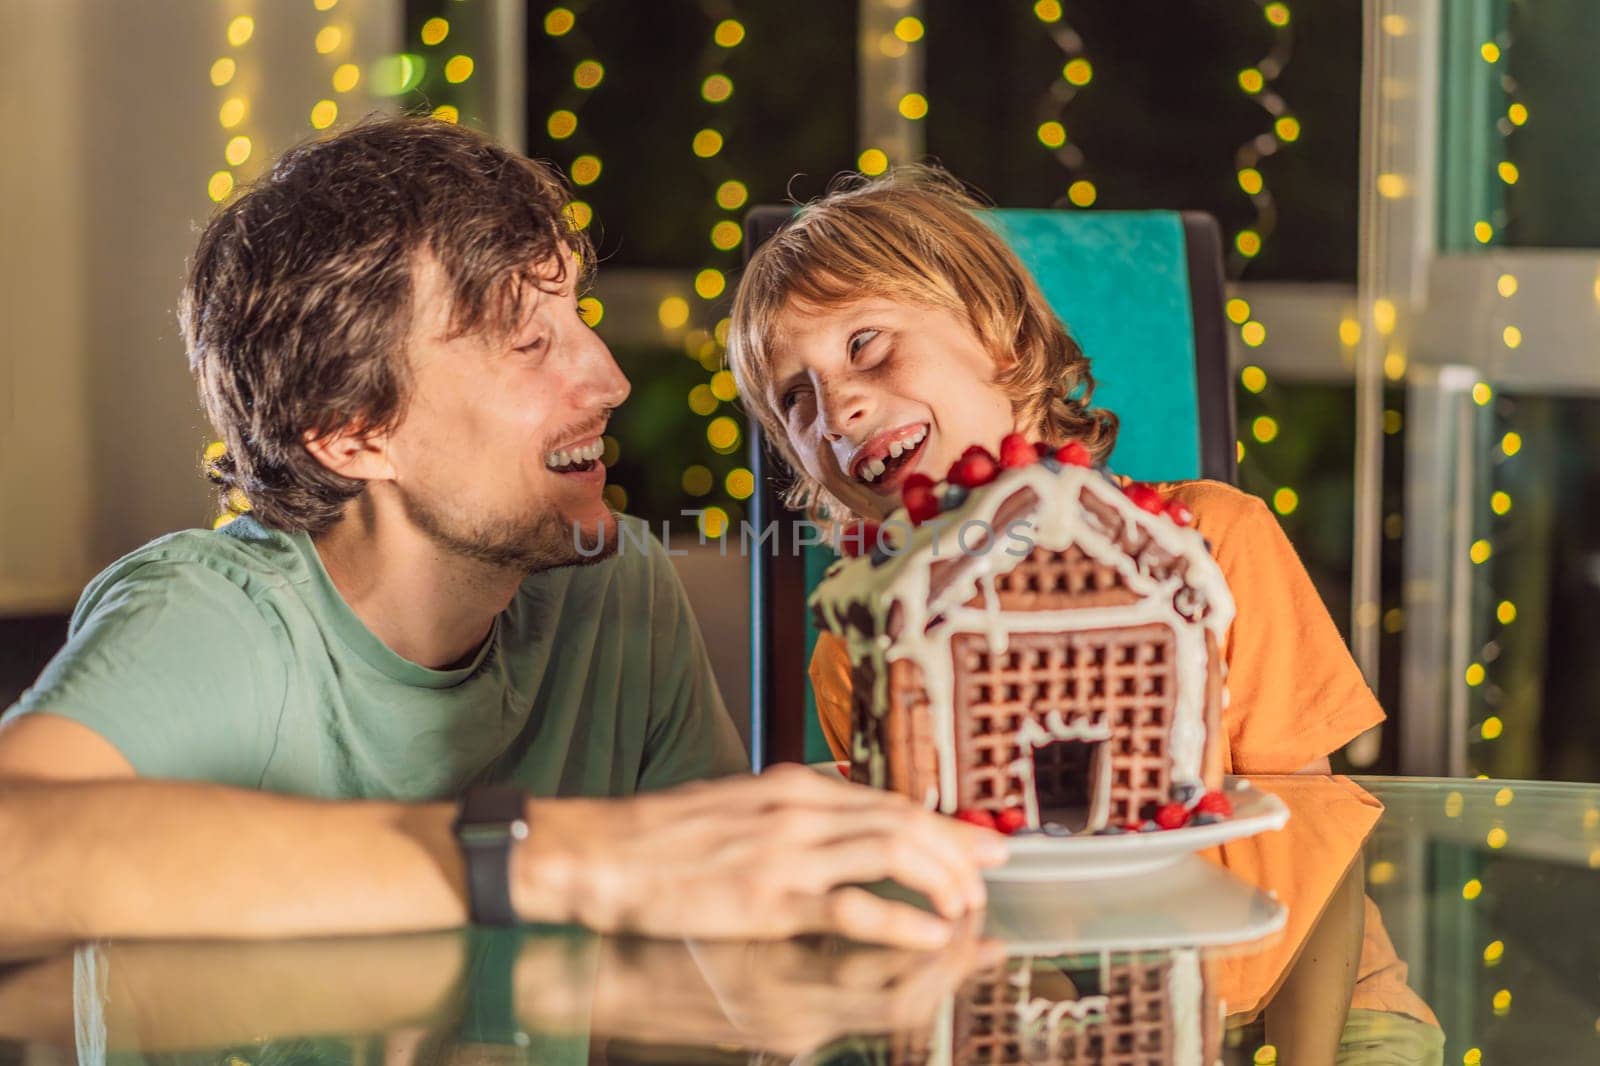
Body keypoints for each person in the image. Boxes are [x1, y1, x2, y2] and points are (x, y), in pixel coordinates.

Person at [0, 118, 1003, 947]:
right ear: (356, 433)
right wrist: (547, 856)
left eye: (577, 317)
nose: (608, 381)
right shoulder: (219, 616)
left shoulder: (612, 589)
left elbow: (717, 950)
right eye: (529, 346)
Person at [725, 165, 1384, 776]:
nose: (837, 414)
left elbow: (1302, 833)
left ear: (999, 337)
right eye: (796, 400)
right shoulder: (857, 644)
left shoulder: (1217, 543)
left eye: (864, 344)